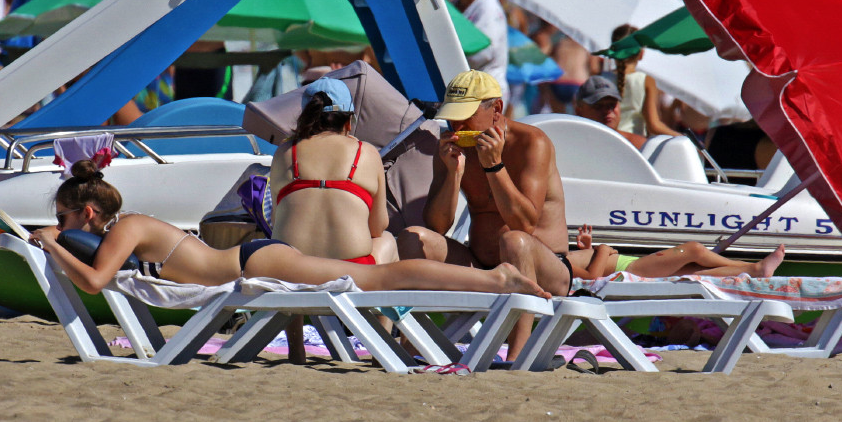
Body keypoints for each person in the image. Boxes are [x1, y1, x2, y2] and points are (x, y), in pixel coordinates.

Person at [29, 158, 549, 301]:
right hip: (252, 262)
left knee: (378, 278)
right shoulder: (131, 227)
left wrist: (52, 246)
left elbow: (95, 281)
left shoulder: (128, 228)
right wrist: (56, 240)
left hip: (255, 263)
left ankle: (498, 280)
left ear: (89, 215)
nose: (60, 227)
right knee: (375, 277)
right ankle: (496, 281)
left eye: (64, 219)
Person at [398, 70, 571, 348]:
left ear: (496, 109)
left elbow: (524, 224)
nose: (457, 124)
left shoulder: (531, 143)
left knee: (514, 240)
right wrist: (453, 175)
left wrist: (493, 165)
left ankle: (518, 356)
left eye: (465, 115)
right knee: (412, 237)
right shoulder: (450, 145)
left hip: (545, 269)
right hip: (483, 266)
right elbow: (438, 226)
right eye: (452, 115)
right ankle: (410, 345)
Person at [269, 77, 396, 264]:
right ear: (348, 122)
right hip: (352, 268)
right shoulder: (366, 153)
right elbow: (377, 227)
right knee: (387, 240)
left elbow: (276, 220)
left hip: (292, 269)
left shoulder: (285, 152)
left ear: (307, 116)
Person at [566, 224, 785, 280]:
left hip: (630, 265)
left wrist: (588, 250)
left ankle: (757, 269)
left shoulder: (557, 258)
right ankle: (757, 267)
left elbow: (586, 269)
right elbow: (591, 278)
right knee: (693, 250)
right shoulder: (557, 262)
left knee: (694, 272)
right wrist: (601, 250)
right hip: (630, 269)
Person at [448, 0, 508, 95]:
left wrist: (446, 53)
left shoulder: (488, 8)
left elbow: (482, 54)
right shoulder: (454, 6)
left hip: (485, 93)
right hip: (463, 90)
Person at [608, 23, 678, 138]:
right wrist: (682, 138)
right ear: (641, 54)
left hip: (607, 139)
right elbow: (653, 125)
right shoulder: (645, 80)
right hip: (634, 143)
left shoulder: (602, 77)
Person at [572, 74, 648, 151]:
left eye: (612, 105)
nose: (607, 111)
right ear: (579, 112)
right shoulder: (569, 145)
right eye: (598, 106)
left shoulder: (638, 146)